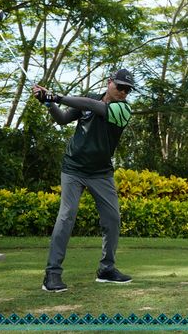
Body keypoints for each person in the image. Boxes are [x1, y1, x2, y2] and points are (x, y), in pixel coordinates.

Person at [33, 69, 135, 293]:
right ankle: (52, 274)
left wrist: (54, 96)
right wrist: (48, 103)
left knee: (112, 219)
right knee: (66, 216)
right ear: (109, 83)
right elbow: (62, 119)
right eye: (120, 87)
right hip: (74, 168)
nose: (123, 92)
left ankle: (106, 270)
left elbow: (91, 105)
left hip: (101, 173)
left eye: (127, 90)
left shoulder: (123, 109)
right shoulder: (88, 99)